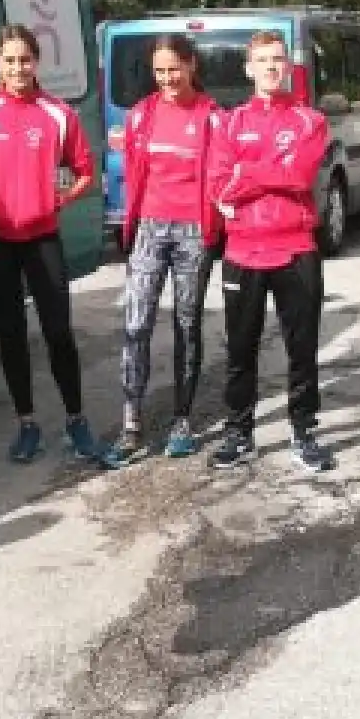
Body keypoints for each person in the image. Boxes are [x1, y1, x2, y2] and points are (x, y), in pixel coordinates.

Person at [0, 24, 110, 466]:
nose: (19, 68)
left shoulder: (58, 114)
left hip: (41, 238)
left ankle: (76, 420)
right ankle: (27, 424)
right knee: (11, 333)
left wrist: (59, 200)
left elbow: (84, 171)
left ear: (36, 62)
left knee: (58, 331)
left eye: (26, 60)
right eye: (11, 60)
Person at [205, 30, 336, 474]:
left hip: (296, 246)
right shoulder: (229, 123)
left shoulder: (310, 121)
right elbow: (218, 184)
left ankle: (304, 431)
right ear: (249, 69)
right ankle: (239, 432)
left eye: (278, 59)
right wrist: (266, 172)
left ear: (288, 66)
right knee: (240, 348)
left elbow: (300, 176)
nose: (271, 67)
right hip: (243, 250)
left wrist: (248, 172)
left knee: (303, 348)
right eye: (262, 60)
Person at [112, 34, 224, 463]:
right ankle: (130, 423)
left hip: (193, 231)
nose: (167, 79)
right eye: (159, 71)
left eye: (174, 69)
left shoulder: (212, 117)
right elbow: (134, 172)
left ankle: (182, 420)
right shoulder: (142, 115)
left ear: (191, 65)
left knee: (186, 325)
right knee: (136, 324)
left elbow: (223, 174)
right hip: (149, 229)